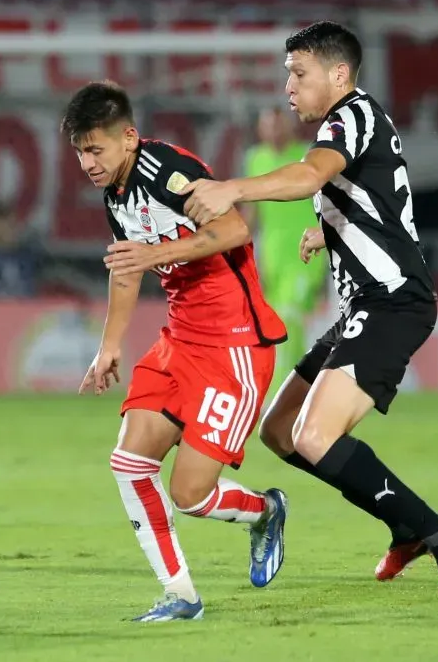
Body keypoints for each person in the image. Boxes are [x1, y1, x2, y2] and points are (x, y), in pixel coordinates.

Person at [181, 21, 438, 615]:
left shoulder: (349, 117)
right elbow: (374, 198)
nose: (288, 85)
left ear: (338, 75)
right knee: (280, 428)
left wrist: (233, 188)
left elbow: (312, 175)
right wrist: (329, 231)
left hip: (392, 301)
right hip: (363, 306)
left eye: (299, 73)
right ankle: (407, 529)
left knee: (315, 437)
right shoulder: (354, 123)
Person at [61, 81, 290, 622]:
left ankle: (265, 510)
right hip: (180, 339)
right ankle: (181, 595)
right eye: (79, 152)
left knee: (190, 493)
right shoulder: (114, 195)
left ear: (129, 138)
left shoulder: (167, 171)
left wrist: (153, 252)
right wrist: (109, 347)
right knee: (129, 462)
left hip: (235, 342)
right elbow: (127, 268)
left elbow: (233, 229)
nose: (87, 162)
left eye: (96, 149)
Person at [243, 107, 328, 398]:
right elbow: (252, 211)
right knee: (277, 323)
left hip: (306, 252)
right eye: (269, 126)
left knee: (289, 317)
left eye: (279, 125)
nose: (275, 131)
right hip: (272, 256)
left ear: (290, 127)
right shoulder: (256, 158)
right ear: (260, 129)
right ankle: (301, 386)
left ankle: (284, 394)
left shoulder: (308, 155)